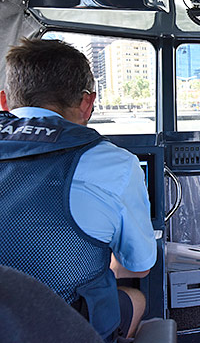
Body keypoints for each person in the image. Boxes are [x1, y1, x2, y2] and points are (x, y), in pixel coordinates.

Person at [0, 39, 157, 341]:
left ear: (5, 102)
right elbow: (140, 266)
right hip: (62, 330)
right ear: (87, 103)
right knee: (136, 298)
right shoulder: (114, 163)